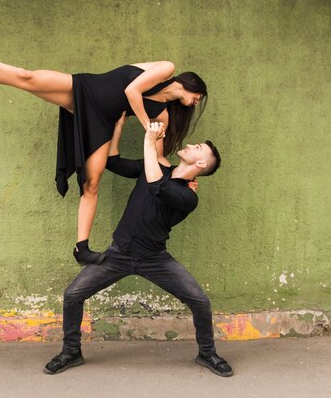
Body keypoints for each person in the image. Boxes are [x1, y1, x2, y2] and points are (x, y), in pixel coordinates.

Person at [0, 39, 208, 264]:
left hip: (103, 121)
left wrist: (180, 180)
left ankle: (81, 248)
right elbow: (132, 91)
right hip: (86, 89)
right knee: (27, 77)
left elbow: (157, 160)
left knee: (92, 183)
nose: (195, 103)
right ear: (191, 83)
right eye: (198, 97)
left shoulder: (166, 117)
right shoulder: (166, 69)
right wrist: (147, 125)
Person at [43, 117, 233, 377]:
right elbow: (113, 162)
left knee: (200, 301)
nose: (190, 145)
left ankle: (207, 353)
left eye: (197, 147)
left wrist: (149, 140)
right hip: (118, 254)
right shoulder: (156, 167)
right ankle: (71, 352)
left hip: (155, 259)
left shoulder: (188, 196)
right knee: (73, 295)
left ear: (200, 164)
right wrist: (118, 126)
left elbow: (157, 185)